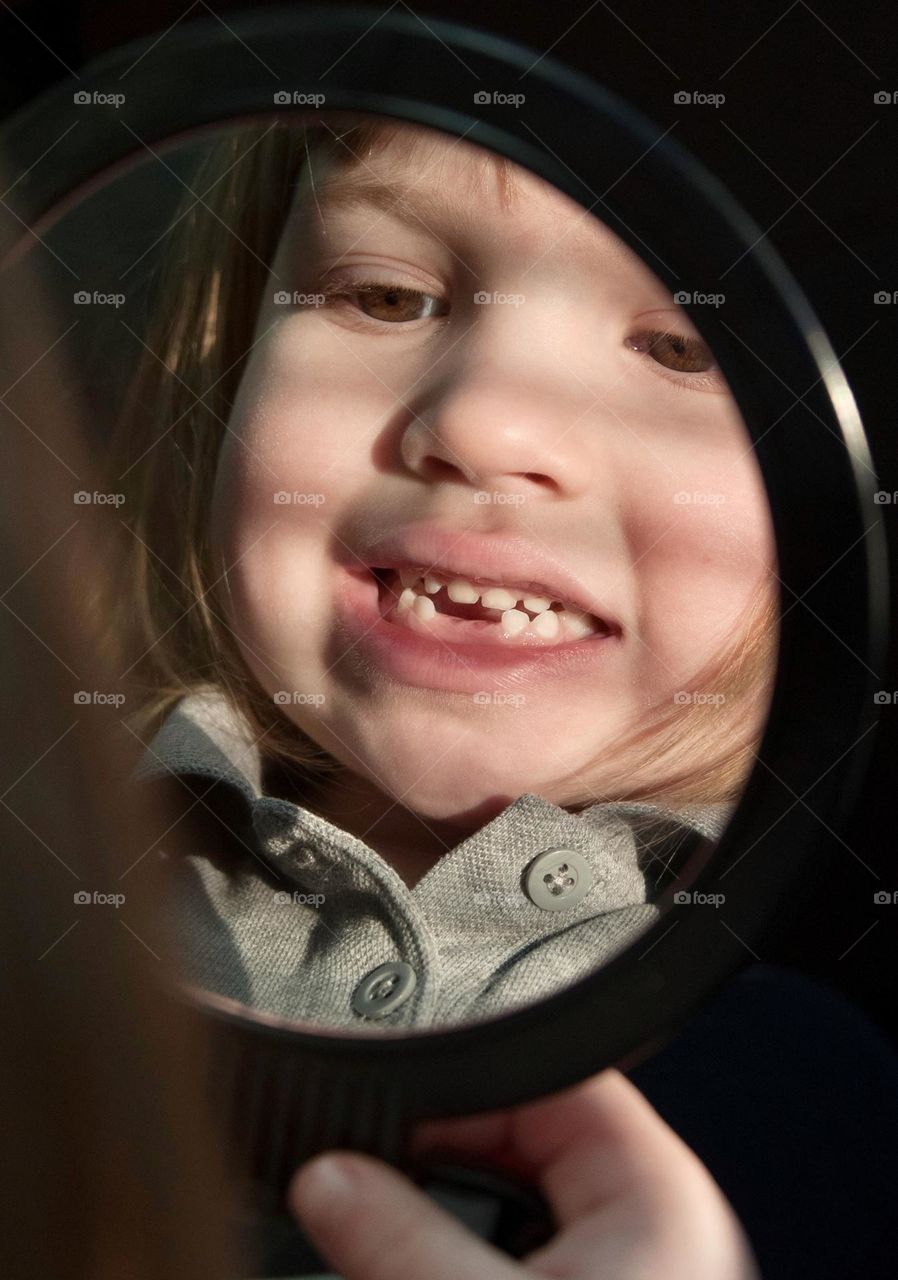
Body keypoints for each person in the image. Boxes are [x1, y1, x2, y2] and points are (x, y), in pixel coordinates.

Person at [91, 114, 778, 1032]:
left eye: (683, 347)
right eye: (386, 297)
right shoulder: (55, 867)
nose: (481, 425)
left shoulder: (821, 1035)